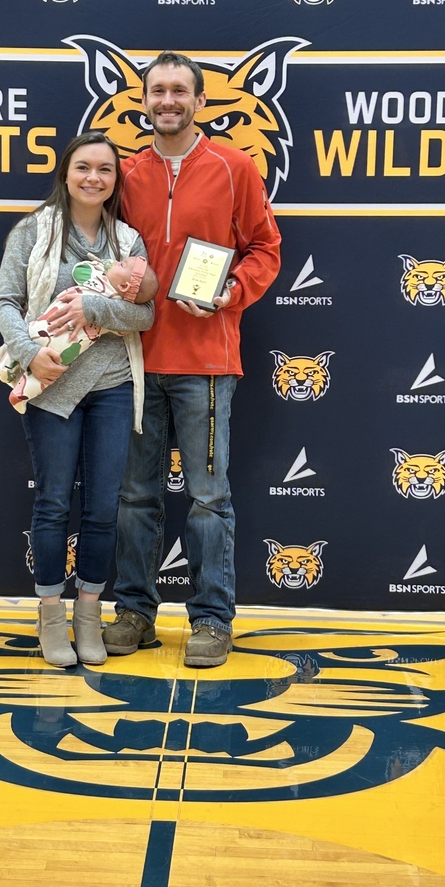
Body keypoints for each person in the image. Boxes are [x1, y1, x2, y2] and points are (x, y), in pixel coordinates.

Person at [103, 51, 282, 668]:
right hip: (133, 360)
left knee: (208, 497)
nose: (169, 101)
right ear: (144, 101)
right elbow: (102, 255)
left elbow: (264, 248)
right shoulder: (125, 175)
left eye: (181, 91)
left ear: (200, 102)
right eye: (158, 91)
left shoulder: (236, 168)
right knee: (134, 495)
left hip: (207, 362)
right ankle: (133, 612)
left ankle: (211, 620)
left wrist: (232, 293)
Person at [0, 132, 154, 668]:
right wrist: (28, 353)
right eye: (83, 167)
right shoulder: (33, 231)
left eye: (105, 170)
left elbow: (143, 316)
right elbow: (5, 301)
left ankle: (89, 612)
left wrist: (91, 306)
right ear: (66, 173)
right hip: (51, 385)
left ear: (115, 180)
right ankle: (50, 616)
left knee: (104, 508)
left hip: (111, 386)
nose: (93, 178)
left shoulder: (128, 242)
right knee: (54, 502)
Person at [0, 254, 158, 412]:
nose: (115, 262)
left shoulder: (103, 281)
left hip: (91, 367)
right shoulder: (111, 292)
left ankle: (16, 384)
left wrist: (91, 307)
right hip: (56, 336)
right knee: (37, 353)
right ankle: (15, 379)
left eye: (121, 264)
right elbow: (122, 329)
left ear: (124, 286)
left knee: (48, 366)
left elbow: (142, 318)